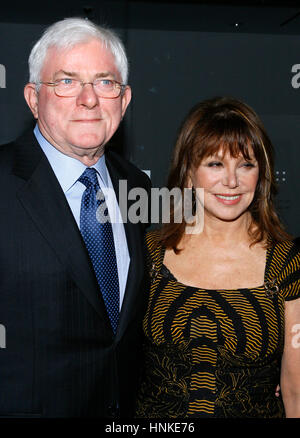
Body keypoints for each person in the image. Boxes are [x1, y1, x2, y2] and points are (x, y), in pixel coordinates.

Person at [0, 17, 151, 418]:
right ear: (33, 98)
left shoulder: (137, 185)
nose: (89, 100)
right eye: (66, 82)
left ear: (125, 98)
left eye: (105, 83)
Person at [135, 96, 300, 418]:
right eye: (215, 164)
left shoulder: (288, 261)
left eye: (246, 165)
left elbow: (295, 388)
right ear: (188, 172)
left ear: (261, 174)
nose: (232, 181)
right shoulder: (150, 253)